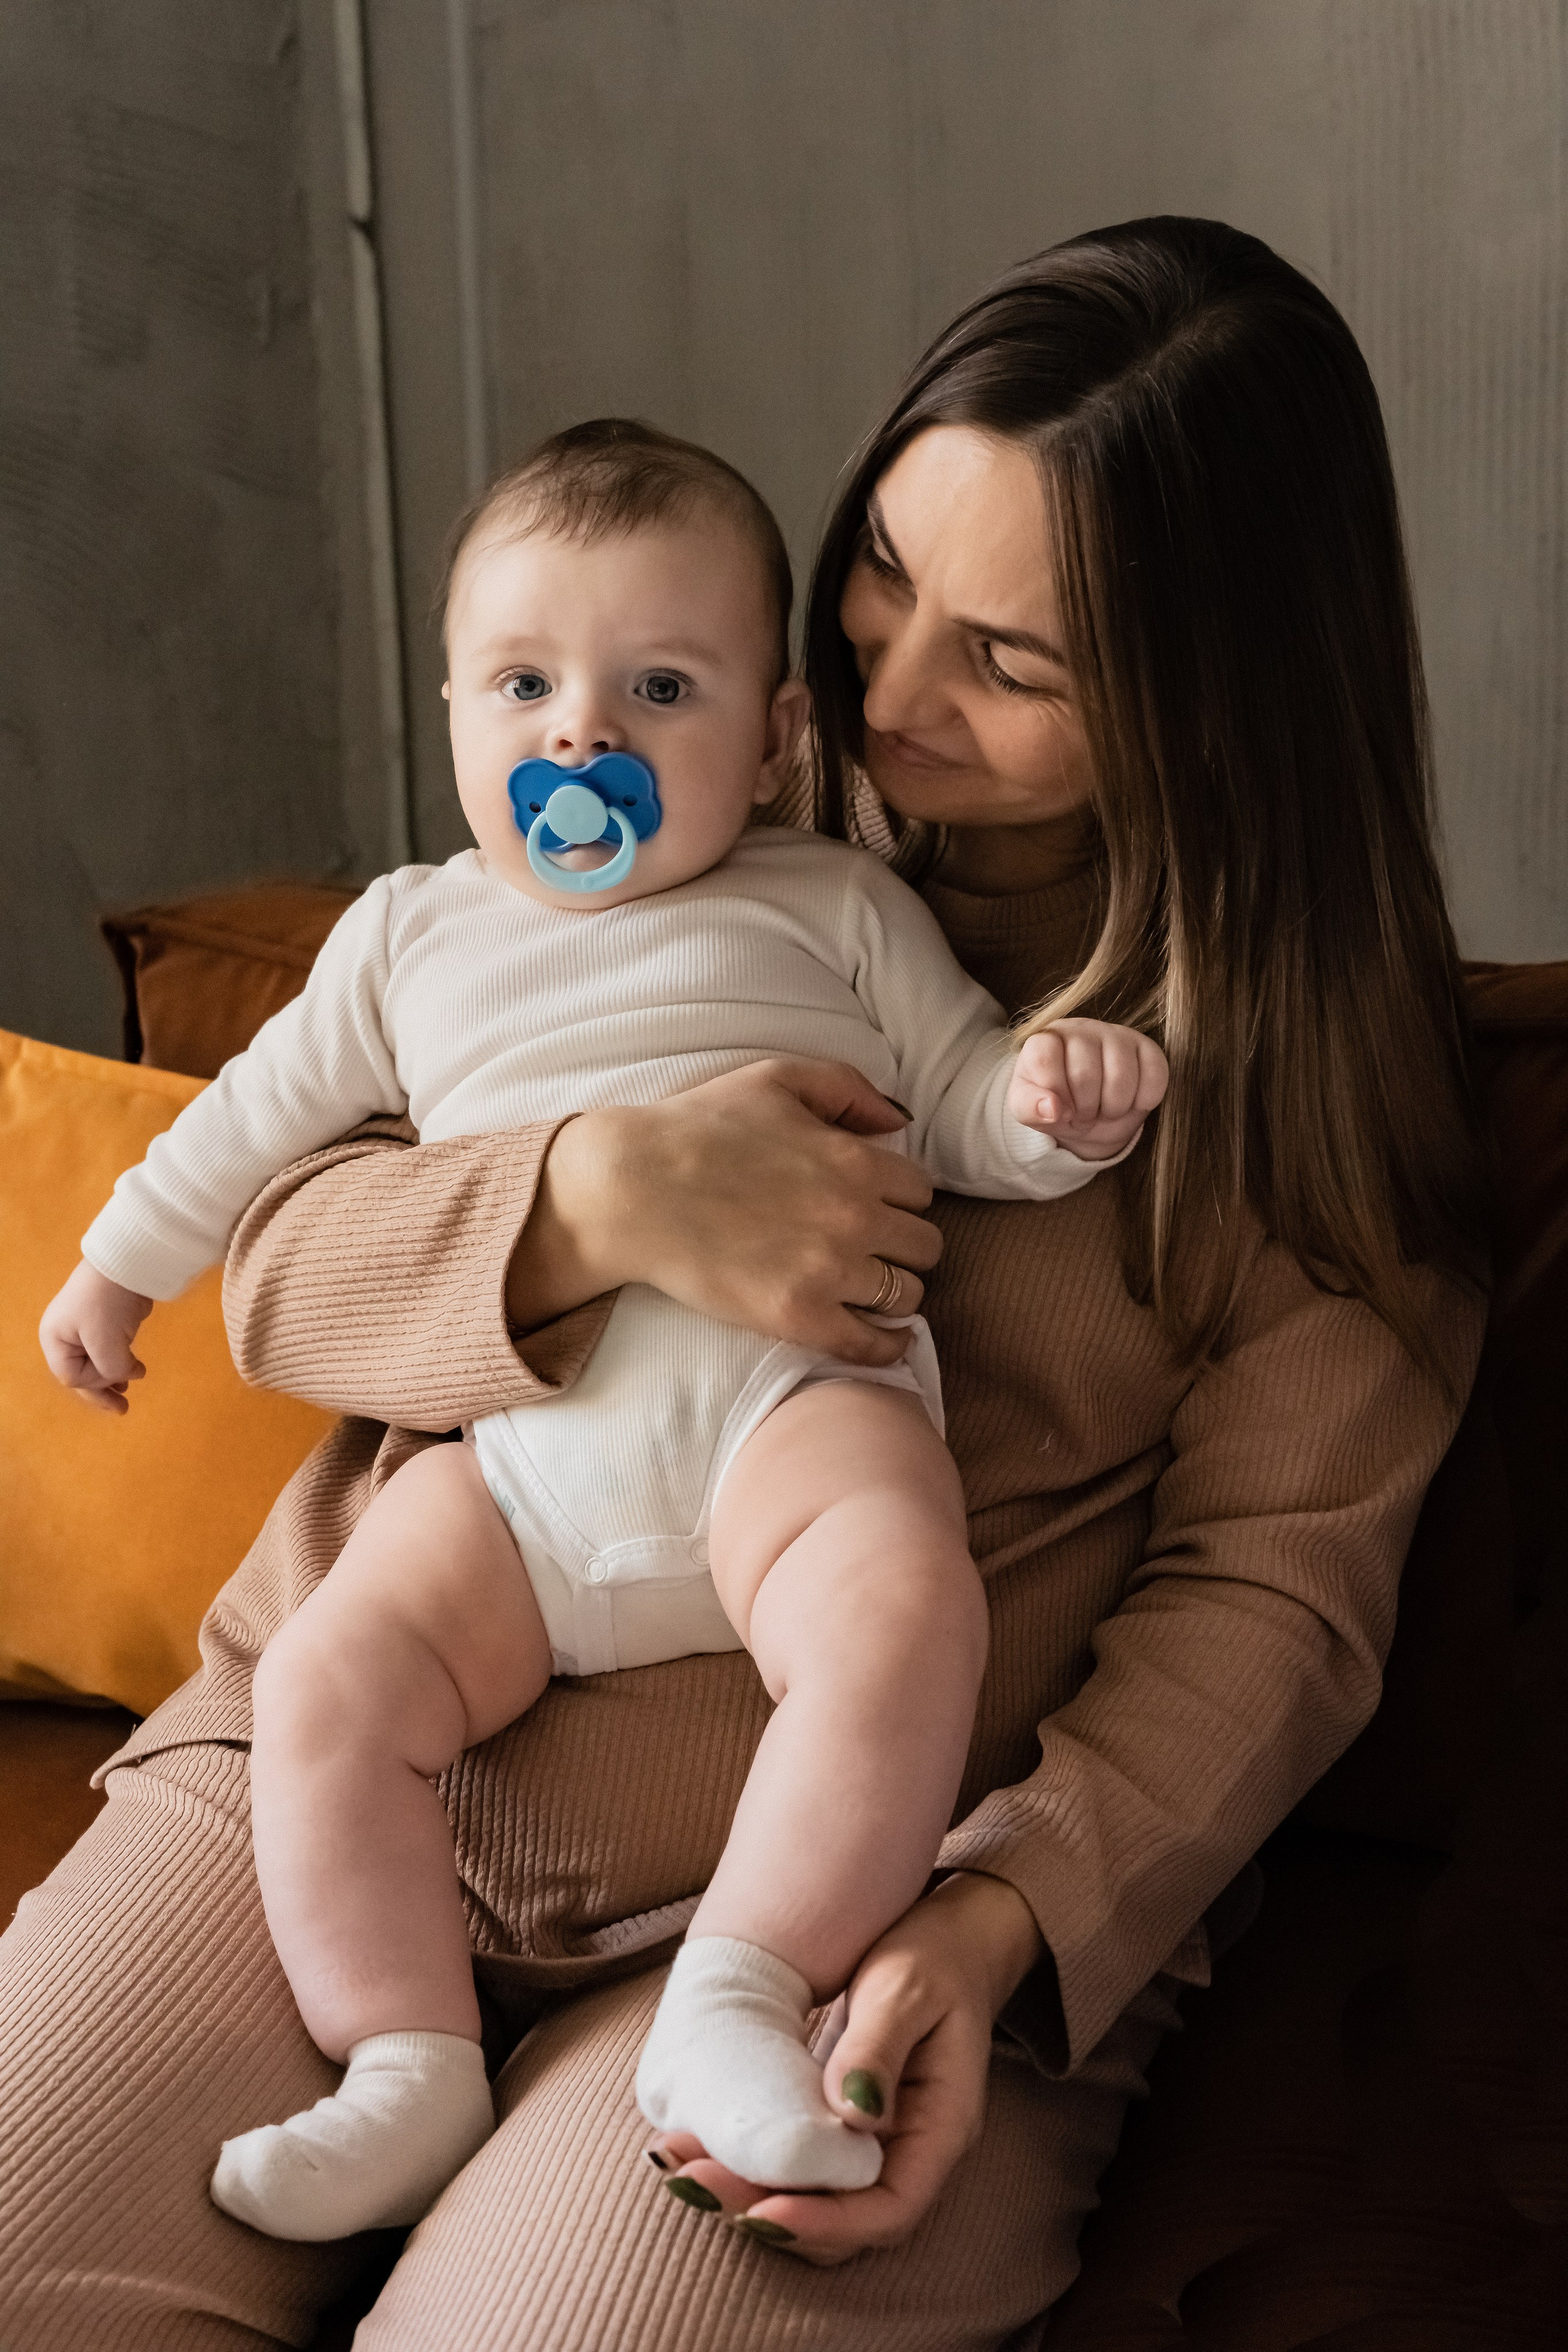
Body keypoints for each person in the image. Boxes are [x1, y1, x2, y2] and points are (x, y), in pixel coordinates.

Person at [0, 218, 1490, 2351]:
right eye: (886, 570)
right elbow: (274, 1275)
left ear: (1209, 700)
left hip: (828, 1905)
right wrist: (598, 1198)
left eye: (1010, 660)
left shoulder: (1286, 1101)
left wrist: (993, 1928)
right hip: (337, 1751)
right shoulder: (651, 799)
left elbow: (1275, 1598)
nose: (885, 699)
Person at [39, 418, 1167, 2239]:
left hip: (788, 1417)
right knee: (338, 1679)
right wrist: (111, 1267)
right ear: (457, 716)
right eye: (526, 685)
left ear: (775, 736)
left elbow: (964, 1107)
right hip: (519, 1472)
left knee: (902, 1608)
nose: (585, 738)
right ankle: (403, 2061)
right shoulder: (409, 939)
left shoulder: (838, 903)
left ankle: (738, 1992)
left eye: (659, 686)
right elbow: (249, 1136)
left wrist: (1063, 1107)